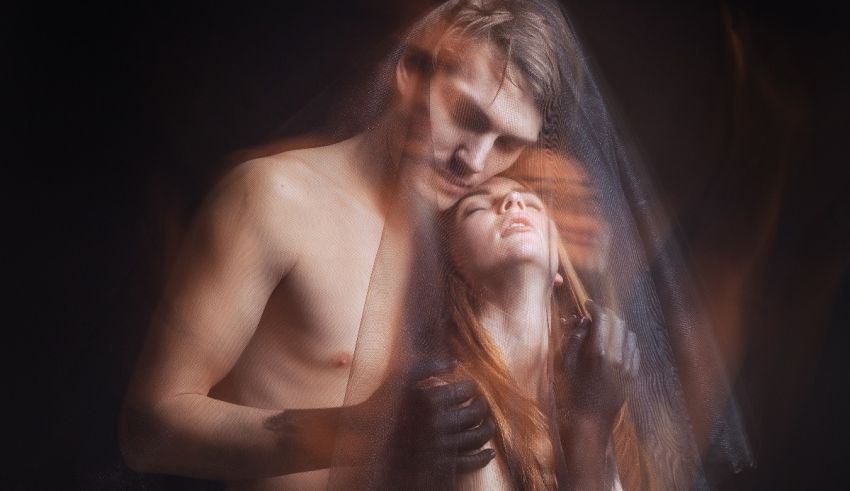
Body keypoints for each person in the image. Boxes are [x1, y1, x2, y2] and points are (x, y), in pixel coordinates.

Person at [120, 1, 571, 489]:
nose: (475, 161)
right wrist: (365, 432)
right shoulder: (274, 199)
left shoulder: (464, 238)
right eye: (466, 115)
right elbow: (147, 431)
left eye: (508, 143)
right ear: (411, 71)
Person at [440, 176, 640, 490]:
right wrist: (589, 427)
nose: (513, 202)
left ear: (558, 270)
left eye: (532, 204)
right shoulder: (453, 405)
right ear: (451, 266)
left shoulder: (595, 390)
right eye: (476, 208)